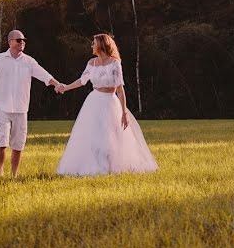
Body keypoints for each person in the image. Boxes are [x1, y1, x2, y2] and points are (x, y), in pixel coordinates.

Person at [55, 33, 158, 176]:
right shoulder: (91, 63)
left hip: (110, 102)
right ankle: (95, 166)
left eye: (94, 42)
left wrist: (124, 112)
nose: (92, 45)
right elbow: (82, 80)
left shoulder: (115, 62)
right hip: (93, 102)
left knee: (111, 135)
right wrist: (65, 87)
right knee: (93, 134)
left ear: (102, 45)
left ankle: (111, 166)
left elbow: (120, 89)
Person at [0, 29, 63, 177]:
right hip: (2, 107)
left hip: (21, 108)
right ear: (10, 42)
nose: (22, 42)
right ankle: (0, 172)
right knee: (2, 141)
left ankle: (14, 175)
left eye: (24, 40)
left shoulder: (29, 61)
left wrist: (56, 84)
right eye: (19, 40)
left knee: (18, 145)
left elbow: (43, 74)